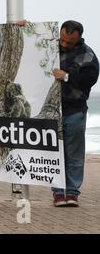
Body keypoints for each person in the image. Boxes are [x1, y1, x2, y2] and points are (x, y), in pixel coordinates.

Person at [51, 20, 99, 207]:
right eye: (62, 40)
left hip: (75, 110)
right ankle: (57, 193)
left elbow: (90, 80)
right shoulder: (49, 47)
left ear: (78, 38)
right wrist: (22, 25)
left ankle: (72, 193)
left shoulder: (88, 55)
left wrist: (67, 76)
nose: (63, 45)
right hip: (52, 110)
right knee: (53, 153)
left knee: (74, 154)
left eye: (69, 42)